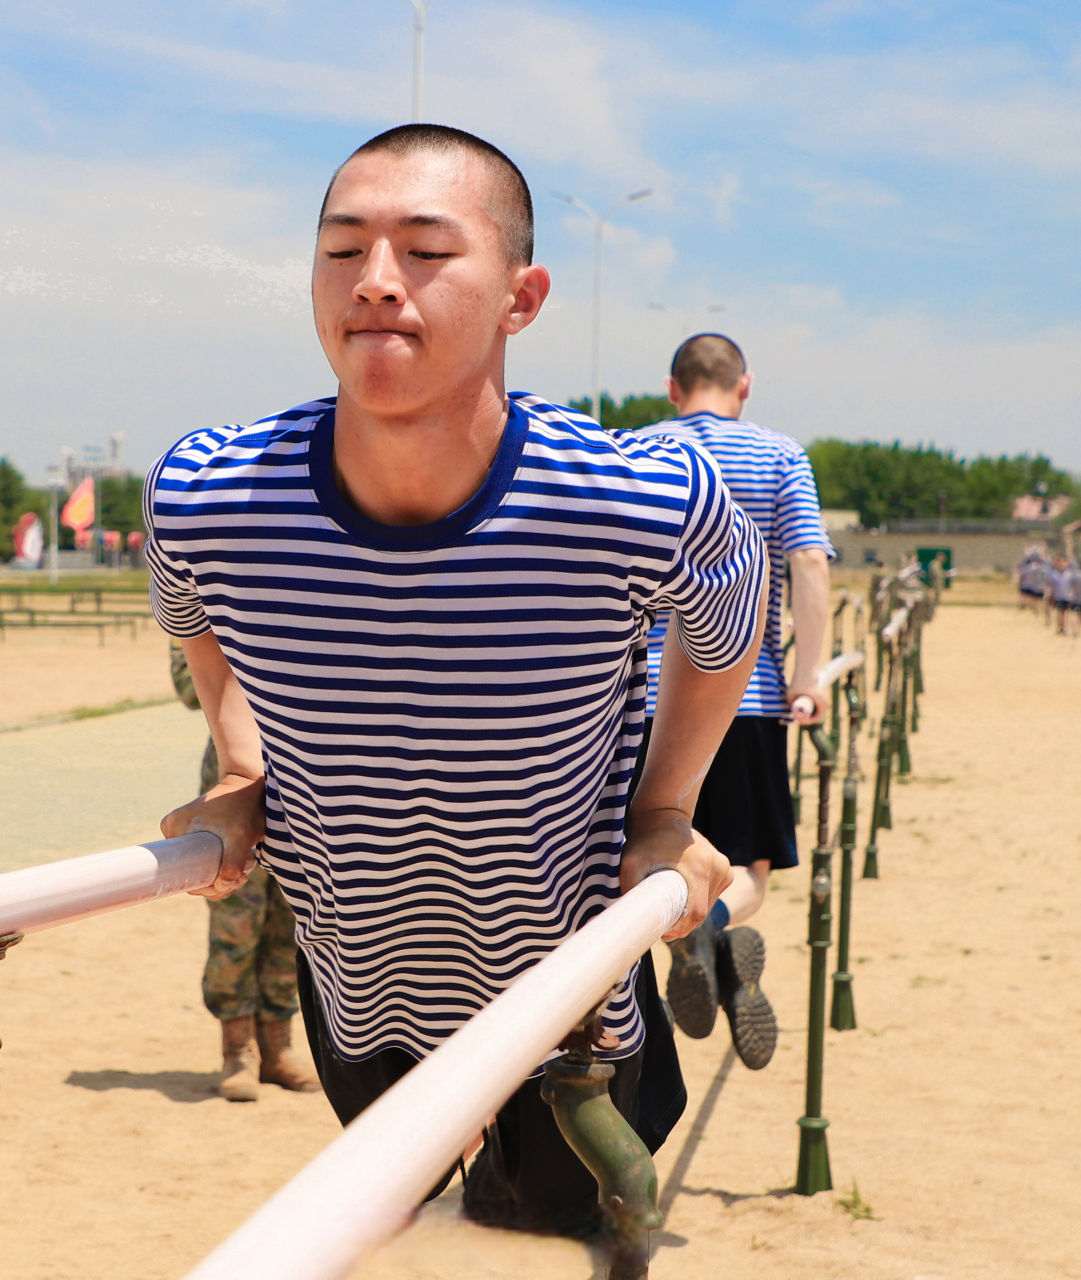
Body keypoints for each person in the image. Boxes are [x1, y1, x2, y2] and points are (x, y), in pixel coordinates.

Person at [144, 124, 763, 1236]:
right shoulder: (208, 494)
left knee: (539, 1231)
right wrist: (242, 772)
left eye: (425, 252)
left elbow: (728, 628)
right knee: (397, 1220)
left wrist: (665, 807)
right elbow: (204, 629)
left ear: (522, 298)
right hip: (362, 980)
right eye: (343, 251)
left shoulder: (641, 498)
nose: (376, 282)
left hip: (569, 996)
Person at [630, 334, 833, 1071]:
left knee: (645, 856)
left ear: (671, 387)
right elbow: (807, 562)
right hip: (746, 692)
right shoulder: (779, 456)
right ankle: (712, 926)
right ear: (744, 387)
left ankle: (674, 951)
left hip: (642, 699)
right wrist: (808, 678)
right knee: (748, 870)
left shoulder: (638, 451)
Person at [169, 640, 322, 1102]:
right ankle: (238, 1050)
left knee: (292, 921)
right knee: (235, 923)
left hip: (304, 778)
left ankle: (278, 1045)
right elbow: (188, 685)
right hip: (235, 785)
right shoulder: (217, 608)